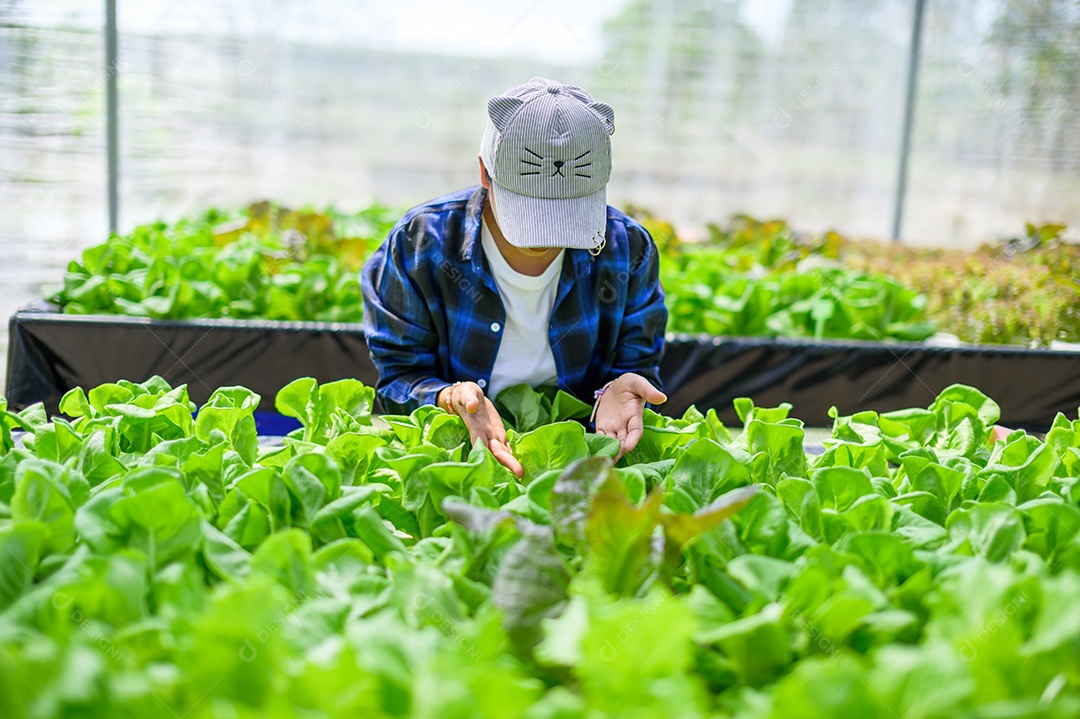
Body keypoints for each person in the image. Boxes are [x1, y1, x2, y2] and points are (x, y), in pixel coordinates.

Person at [362, 77, 668, 477]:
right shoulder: (422, 244)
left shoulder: (628, 248)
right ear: (485, 173)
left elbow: (637, 365)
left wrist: (620, 390)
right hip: (459, 461)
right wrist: (448, 397)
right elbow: (398, 377)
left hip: (579, 466)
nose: (547, 237)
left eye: (568, 214)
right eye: (531, 212)